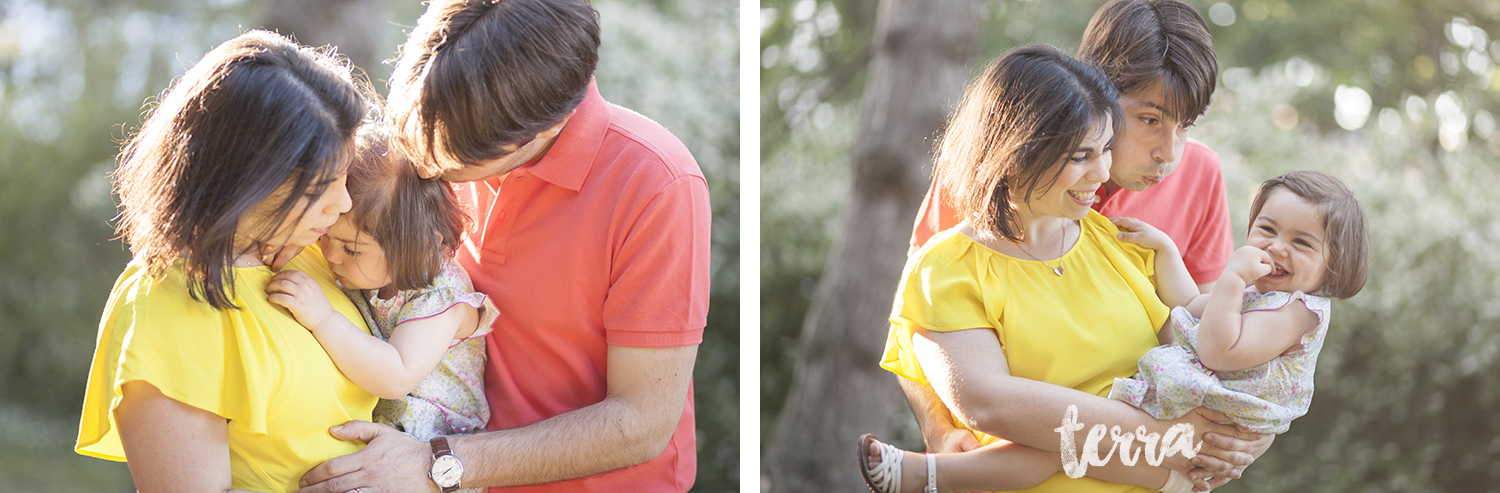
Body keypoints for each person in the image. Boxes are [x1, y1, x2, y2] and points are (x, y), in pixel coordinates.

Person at [290, 0, 711, 492]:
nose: (423, 171)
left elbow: (640, 424)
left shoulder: (657, 185)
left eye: (450, 159)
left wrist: (435, 462)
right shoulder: (443, 135)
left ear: (544, 128)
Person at [899, 0, 1268, 488]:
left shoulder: (1200, 175)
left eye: (1185, 125)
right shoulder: (989, 172)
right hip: (997, 464)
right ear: (1097, 92)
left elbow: (1208, 342)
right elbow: (915, 318)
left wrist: (1240, 438)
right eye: (1151, 120)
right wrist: (940, 431)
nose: (1170, 153)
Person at [860, 170, 1370, 493]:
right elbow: (1192, 306)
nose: (1278, 248)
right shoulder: (1261, 293)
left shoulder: (1299, 311)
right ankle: (932, 476)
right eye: (1268, 230)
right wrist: (1168, 252)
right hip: (1179, 415)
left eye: (1302, 242)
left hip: (1206, 412)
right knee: (1066, 440)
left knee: (1066, 439)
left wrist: (1234, 278)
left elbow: (1219, 348)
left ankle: (933, 479)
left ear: (1333, 264)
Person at [75, 30, 375, 492]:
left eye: (344, 175)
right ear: (244, 182)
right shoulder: (167, 308)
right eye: (317, 189)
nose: (344, 205)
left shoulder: (312, 249)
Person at [264, 121, 499, 493]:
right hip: (392, 436)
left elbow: (396, 376)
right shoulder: (369, 269)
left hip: (432, 451)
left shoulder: (442, 295)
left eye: (351, 249)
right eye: (326, 237)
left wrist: (323, 318)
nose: (330, 256)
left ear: (419, 247)